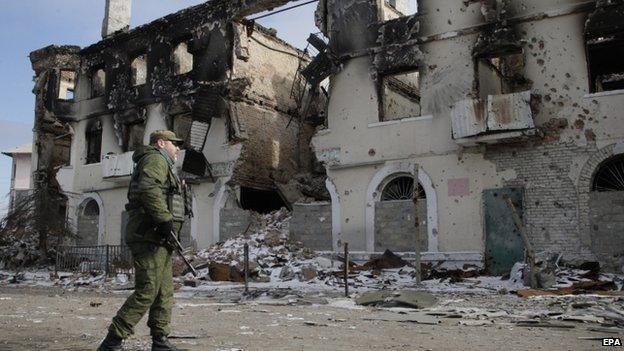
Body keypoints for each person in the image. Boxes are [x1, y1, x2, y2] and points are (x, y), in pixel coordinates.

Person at [98, 130, 188, 351]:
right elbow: (149, 189)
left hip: (159, 238)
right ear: (161, 143)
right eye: (174, 144)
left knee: (164, 291)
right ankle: (112, 341)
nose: (177, 149)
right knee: (148, 290)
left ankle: (160, 341)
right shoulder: (155, 158)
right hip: (148, 235)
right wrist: (165, 219)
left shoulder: (163, 162)